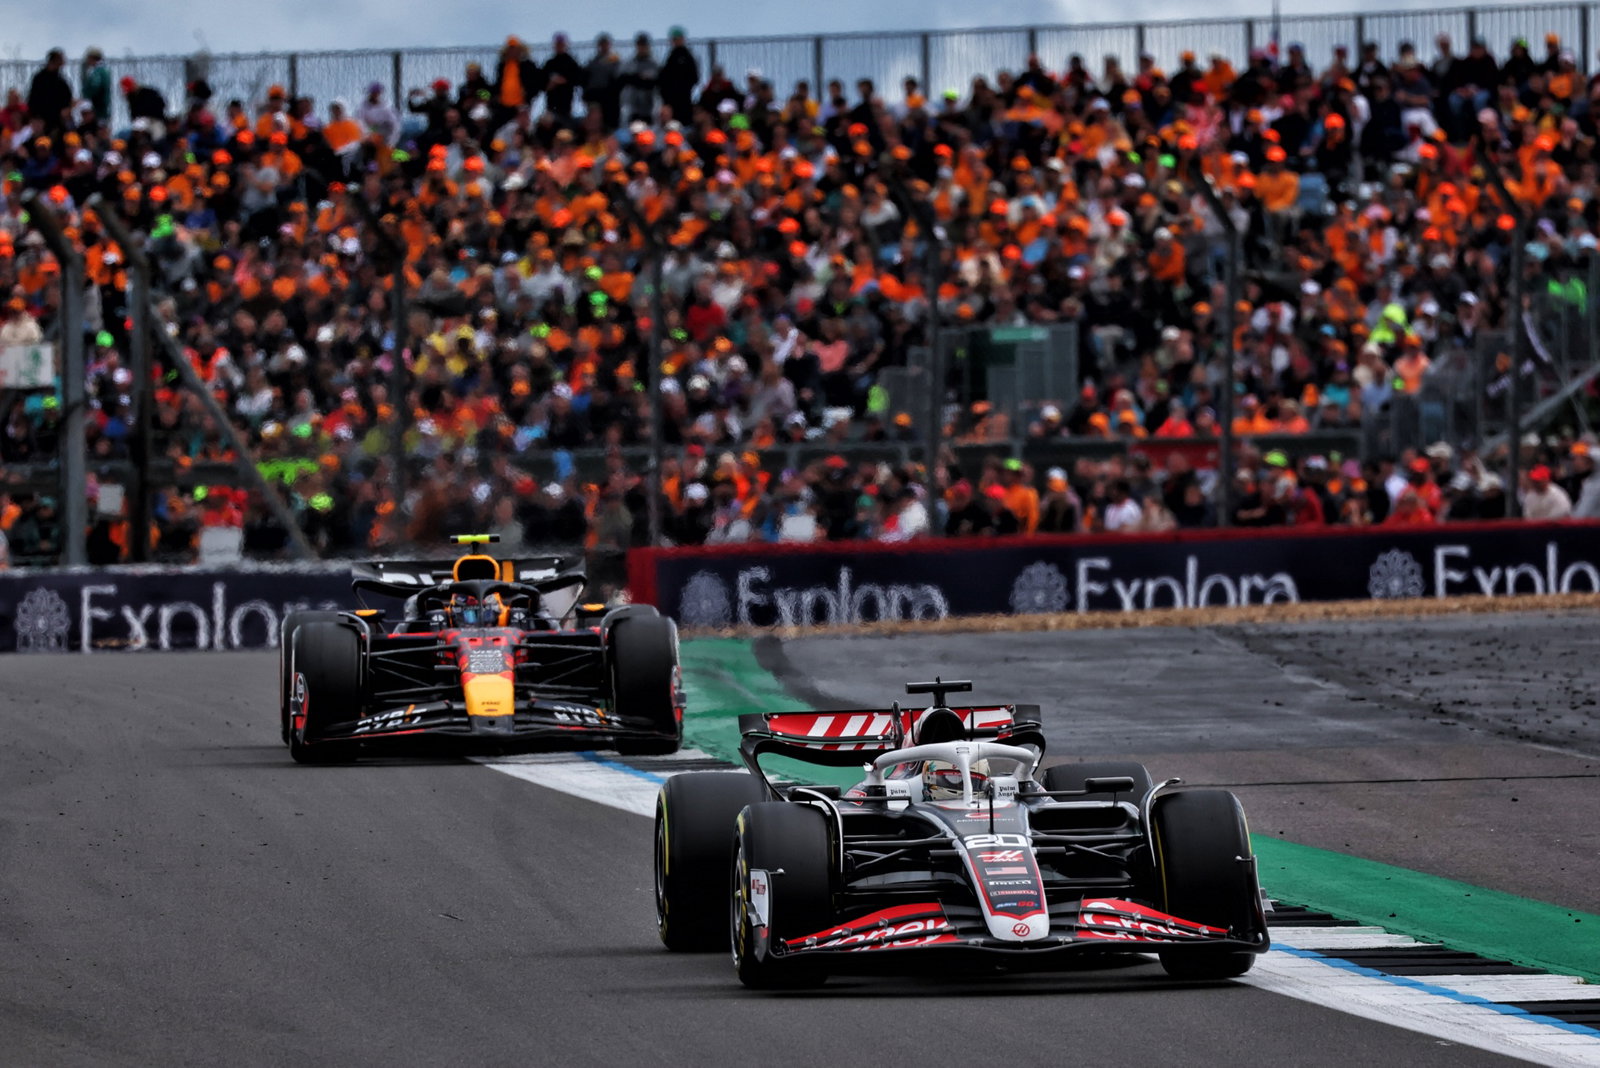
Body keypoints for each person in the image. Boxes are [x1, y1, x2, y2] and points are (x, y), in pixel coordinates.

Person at [658, 26, 700, 123]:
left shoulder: (687, 57)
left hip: (683, 99)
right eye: (674, 39)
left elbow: (694, 77)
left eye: (678, 39)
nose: (676, 41)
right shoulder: (671, 57)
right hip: (672, 101)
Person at [27, 49, 73, 134]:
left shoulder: (61, 81)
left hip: (58, 121)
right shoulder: (39, 79)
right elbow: (33, 99)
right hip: (42, 120)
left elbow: (68, 99)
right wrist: (35, 117)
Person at [619, 32, 660, 126]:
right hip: (632, 107)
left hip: (650, 108)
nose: (642, 48)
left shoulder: (654, 64)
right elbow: (624, 78)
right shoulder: (630, 63)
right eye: (639, 45)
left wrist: (638, 79)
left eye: (644, 45)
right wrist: (639, 78)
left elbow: (654, 82)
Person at [80, 48, 111, 121]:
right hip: (101, 106)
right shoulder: (103, 70)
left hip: (97, 107)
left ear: (91, 58)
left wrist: (87, 97)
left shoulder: (98, 72)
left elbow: (95, 87)